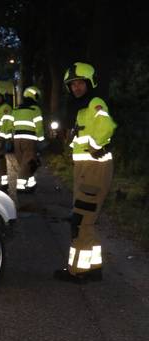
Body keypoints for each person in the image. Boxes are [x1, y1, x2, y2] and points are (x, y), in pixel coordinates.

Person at [54, 62, 117, 283]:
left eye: (80, 83)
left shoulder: (95, 103)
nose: (76, 88)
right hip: (86, 169)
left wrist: (98, 146)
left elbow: (107, 127)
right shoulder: (81, 110)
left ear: (89, 83)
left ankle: (77, 271)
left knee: (79, 220)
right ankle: (94, 267)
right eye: (72, 85)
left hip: (94, 169)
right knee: (87, 220)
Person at [12, 86, 45, 193]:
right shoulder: (35, 109)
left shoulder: (16, 109)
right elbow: (39, 126)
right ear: (35, 96)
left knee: (23, 162)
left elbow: (11, 124)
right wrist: (41, 140)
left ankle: (31, 184)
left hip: (17, 139)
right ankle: (20, 186)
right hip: (29, 139)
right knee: (28, 162)